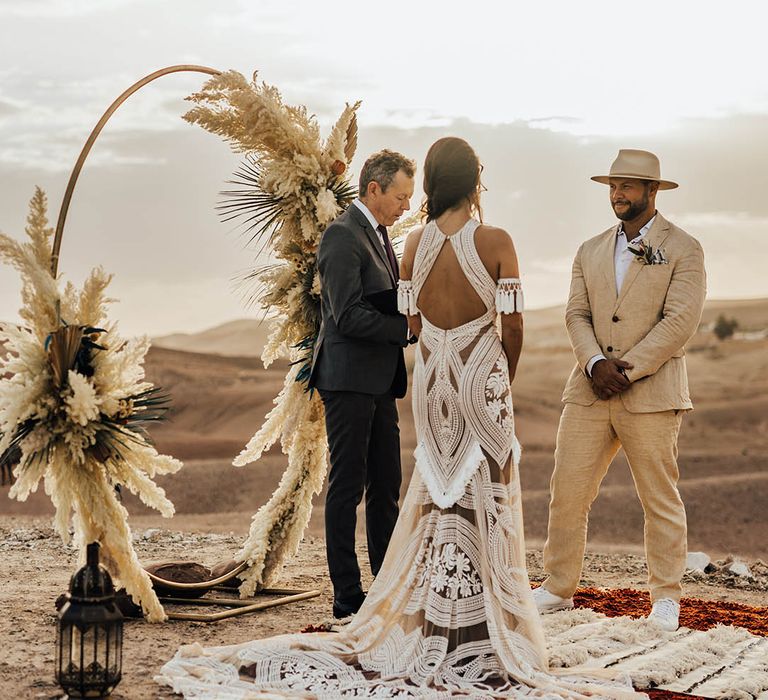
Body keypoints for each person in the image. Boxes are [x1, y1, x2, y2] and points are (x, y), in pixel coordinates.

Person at [159, 138, 643, 698]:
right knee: (485, 491)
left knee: (434, 493)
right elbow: (512, 326)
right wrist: (498, 376)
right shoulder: (496, 240)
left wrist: (440, 349)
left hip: (433, 388)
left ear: (434, 184)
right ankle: (483, 626)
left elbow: (410, 314)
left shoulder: (412, 243)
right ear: (475, 182)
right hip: (480, 385)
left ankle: (433, 615)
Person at [534, 149, 707, 633]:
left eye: (629, 186)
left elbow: (680, 321)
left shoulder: (684, 248)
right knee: (566, 491)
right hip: (589, 389)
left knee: (659, 496)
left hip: (650, 393)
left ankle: (666, 596)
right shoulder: (589, 250)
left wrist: (625, 372)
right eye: (614, 185)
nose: (618, 193)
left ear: (653, 192)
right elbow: (576, 314)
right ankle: (557, 586)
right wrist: (593, 363)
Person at [308, 149, 415, 618]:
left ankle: (384, 586)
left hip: (379, 381)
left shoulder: (381, 236)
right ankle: (347, 595)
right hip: (348, 380)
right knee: (347, 486)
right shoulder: (341, 236)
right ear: (373, 189)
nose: (406, 206)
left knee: (386, 484)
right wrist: (406, 330)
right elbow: (345, 314)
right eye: (400, 196)